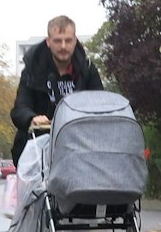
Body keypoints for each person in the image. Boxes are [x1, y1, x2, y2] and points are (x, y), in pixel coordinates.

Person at [9, 14, 102, 162]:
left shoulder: (88, 69)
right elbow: (20, 109)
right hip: (39, 153)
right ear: (48, 42)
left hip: (79, 150)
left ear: (75, 41)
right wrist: (32, 118)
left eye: (68, 40)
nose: (63, 46)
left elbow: (100, 106)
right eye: (58, 41)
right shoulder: (32, 70)